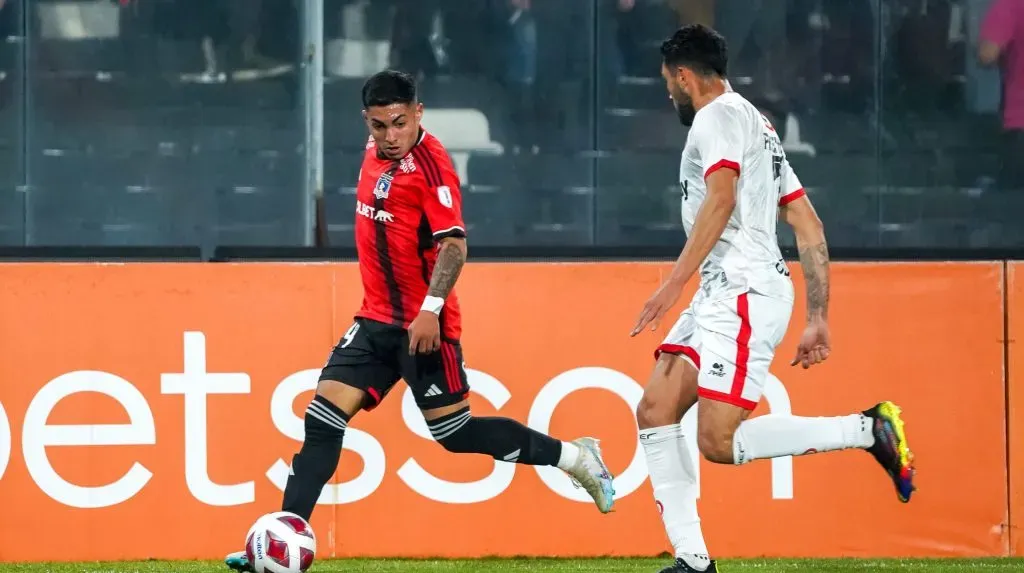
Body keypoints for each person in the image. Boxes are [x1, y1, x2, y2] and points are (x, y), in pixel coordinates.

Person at [223, 69, 615, 572]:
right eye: (379, 126)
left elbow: (455, 245)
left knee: (453, 434)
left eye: (400, 123)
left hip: (424, 326)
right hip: (375, 320)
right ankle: (281, 541)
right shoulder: (375, 150)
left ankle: (576, 457)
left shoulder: (432, 168)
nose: (390, 136)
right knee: (321, 419)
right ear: (366, 121)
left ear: (419, 113)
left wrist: (430, 311)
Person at [630, 25, 916, 573]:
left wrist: (673, 282)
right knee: (655, 407)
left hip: (742, 291)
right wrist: (817, 316)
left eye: (669, 81)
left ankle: (867, 429)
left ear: (684, 76)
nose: (668, 92)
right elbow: (808, 222)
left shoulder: (715, 118)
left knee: (718, 441)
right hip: (728, 290)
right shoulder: (758, 125)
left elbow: (720, 198)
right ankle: (692, 560)